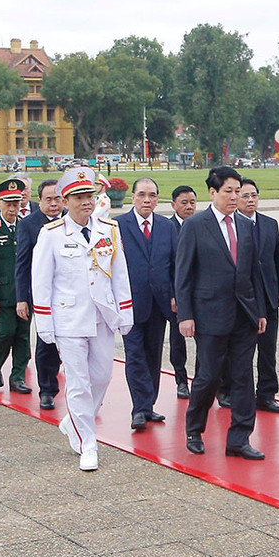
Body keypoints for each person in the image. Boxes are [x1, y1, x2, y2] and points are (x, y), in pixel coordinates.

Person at [31, 167, 134, 471]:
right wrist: (45, 322)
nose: (86, 201)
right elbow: (41, 281)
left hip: (102, 316)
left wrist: (125, 312)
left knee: (102, 376)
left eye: (89, 195)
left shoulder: (108, 229)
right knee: (78, 382)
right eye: (78, 197)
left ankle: (72, 420)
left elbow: (119, 273)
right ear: (65, 201)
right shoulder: (51, 235)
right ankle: (88, 443)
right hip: (68, 318)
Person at [176, 166, 270, 460]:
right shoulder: (195, 225)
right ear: (213, 192)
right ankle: (194, 429)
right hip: (209, 315)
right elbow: (183, 275)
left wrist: (260, 311)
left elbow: (253, 272)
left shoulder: (245, 225)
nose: (234, 196)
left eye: (237, 191)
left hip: (244, 315)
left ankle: (239, 438)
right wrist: (185, 315)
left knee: (244, 377)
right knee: (209, 376)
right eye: (228, 191)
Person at [114, 177, 177, 430]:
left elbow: (175, 264)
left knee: (153, 356)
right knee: (135, 356)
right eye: (142, 195)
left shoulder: (166, 226)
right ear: (133, 197)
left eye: (152, 195)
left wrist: (175, 295)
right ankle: (139, 408)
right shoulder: (117, 225)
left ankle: (148, 405)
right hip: (130, 303)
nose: (147, 200)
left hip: (159, 303)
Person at [235, 178, 279, 415]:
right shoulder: (231, 225)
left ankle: (267, 394)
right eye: (245, 196)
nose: (250, 200)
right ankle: (234, 392)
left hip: (268, 295)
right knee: (240, 351)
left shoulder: (269, 224)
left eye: (254, 195)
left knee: (268, 349)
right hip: (242, 299)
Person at [17, 178, 65, 410]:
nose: (54, 204)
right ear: (40, 200)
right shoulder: (29, 224)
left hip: (69, 294)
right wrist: (22, 298)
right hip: (42, 295)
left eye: (58, 199)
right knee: (46, 341)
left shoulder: (71, 220)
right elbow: (22, 264)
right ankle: (47, 389)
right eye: (49, 199)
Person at [0, 179, 32, 392]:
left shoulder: (25, 226)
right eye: (8, 204)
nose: (12, 209)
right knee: (6, 330)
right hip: (2, 292)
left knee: (23, 335)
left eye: (16, 204)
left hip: (25, 293)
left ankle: (17, 377)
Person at [166, 186, 198, 399]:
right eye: (184, 203)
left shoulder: (201, 224)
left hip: (201, 294)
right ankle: (181, 380)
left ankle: (204, 381)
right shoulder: (167, 228)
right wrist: (173, 294)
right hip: (177, 295)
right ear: (174, 205)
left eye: (192, 202)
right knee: (178, 341)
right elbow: (165, 265)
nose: (189, 207)